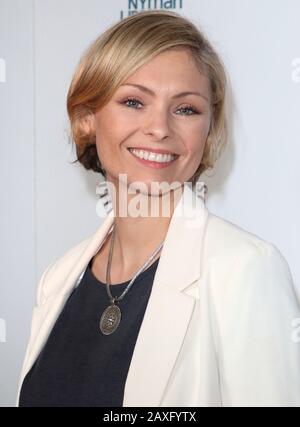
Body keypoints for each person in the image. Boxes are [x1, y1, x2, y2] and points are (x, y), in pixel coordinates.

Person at [16, 10, 300, 407]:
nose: (160, 128)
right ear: (86, 121)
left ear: (208, 130)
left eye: (186, 109)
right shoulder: (58, 279)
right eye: (134, 102)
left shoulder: (244, 269)